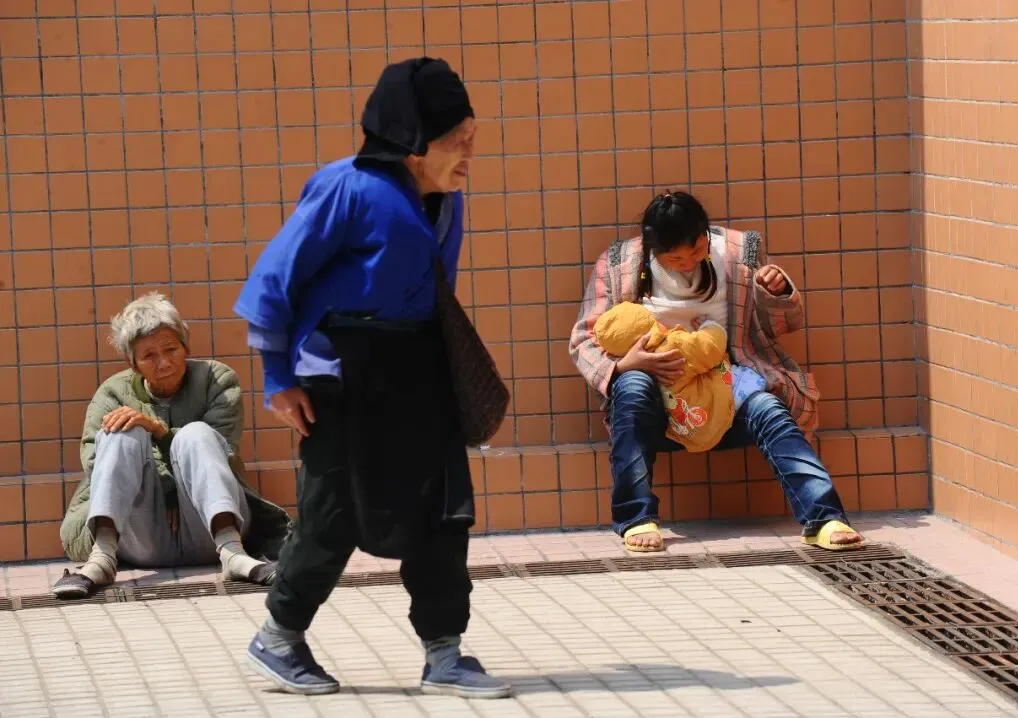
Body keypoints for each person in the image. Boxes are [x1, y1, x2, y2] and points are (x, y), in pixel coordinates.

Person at [233, 57, 510, 699]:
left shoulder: (447, 202)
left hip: (419, 371)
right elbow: (275, 281)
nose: (471, 152)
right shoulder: (346, 188)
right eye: (458, 140)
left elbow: (433, 295)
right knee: (333, 512)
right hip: (341, 375)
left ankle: (445, 653)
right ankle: (278, 638)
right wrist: (278, 377)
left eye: (474, 137)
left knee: (444, 509)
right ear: (414, 142)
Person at [570, 191, 865, 553]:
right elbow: (584, 337)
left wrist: (776, 292)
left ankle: (824, 516)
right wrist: (623, 365)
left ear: (705, 233)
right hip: (657, 398)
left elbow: (781, 325)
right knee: (631, 386)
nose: (687, 263)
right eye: (674, 258)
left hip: (727, 383)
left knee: (769, 409)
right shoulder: (619, 263)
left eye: (696, 250)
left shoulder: (740, 253)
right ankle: (636, 518)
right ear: (652, 248)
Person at [53, 293, 291, 599]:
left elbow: (224, 448)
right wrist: (165, 485)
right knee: (119, 431)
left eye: (171, 349)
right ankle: (101, 559)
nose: (164, 363)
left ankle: (234, 554)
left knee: (197, 434)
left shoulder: (217, 380)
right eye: (149, 356)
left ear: (185, 347)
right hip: (139, 536)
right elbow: (95, 462)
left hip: (209, 528)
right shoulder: (112, 393)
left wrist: (158, 431)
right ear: (132, 363)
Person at [593, 300, 736, 453]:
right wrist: (710, 326)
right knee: (739, 377)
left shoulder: (639, 367)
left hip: (687, 435)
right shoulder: (673, 346)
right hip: (716, 415)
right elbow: (712, 346)